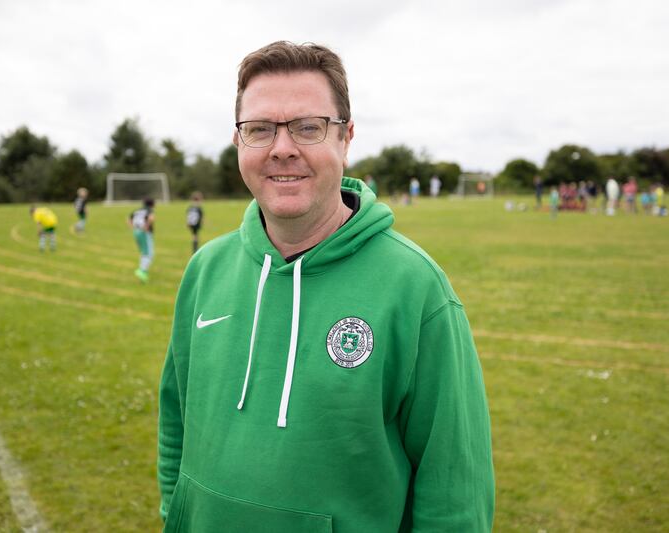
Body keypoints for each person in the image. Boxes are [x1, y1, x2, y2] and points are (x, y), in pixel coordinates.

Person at [157, 41, 494, 533]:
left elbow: (454, 489)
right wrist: (176, 516)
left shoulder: (416, 288)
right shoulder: (205, 269)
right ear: (238, 141)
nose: (282, 148)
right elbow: (175, 424)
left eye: (307, 127)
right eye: (260, 129)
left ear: (346, 136)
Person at [128, 198, 155, 283]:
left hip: (136, 232)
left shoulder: (137, 210)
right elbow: (151, 218)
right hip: (144, 233)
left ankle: (142, 271)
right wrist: (146, 226)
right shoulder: (149, 210)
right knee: (149, 253)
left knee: (143, 252)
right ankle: (142, 271)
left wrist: (133, 228)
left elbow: (129, 219)